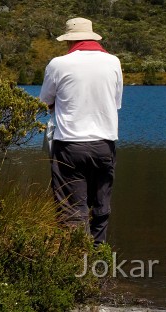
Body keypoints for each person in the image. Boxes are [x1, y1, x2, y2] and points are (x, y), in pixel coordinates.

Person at [40, 17, 123, 246]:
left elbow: (45, 101)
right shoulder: (113, 62)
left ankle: (77, 265)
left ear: (70, 40)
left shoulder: (58, 64)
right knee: (101, 207)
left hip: (69, 146)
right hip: (105, 145)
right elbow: (115, 103)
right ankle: (99, 263)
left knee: (71, 210)